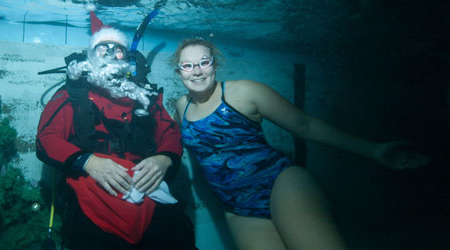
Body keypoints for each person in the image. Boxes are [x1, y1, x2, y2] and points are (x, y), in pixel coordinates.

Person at [171, 38, 430, 250]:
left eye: (204, 62)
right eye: (188, 65)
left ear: (215, 64)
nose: (197, 70)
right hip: (238, 209)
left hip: (280, 183)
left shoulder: (245, 91)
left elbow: (306, 125)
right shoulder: (181, 107)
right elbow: (171, 144)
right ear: (179, 71)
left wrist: (374, 150)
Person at [36, 28, 197, 250]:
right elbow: (47, 138)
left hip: (147, 187)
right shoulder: (71, 95)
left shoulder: (144, 95)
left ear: (127, 58)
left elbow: (169, 132)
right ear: (90, 56)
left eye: (118, 49)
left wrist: (164, 159)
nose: (111, 54)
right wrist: (89, 162)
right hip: (91, 191)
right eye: (102, 48)